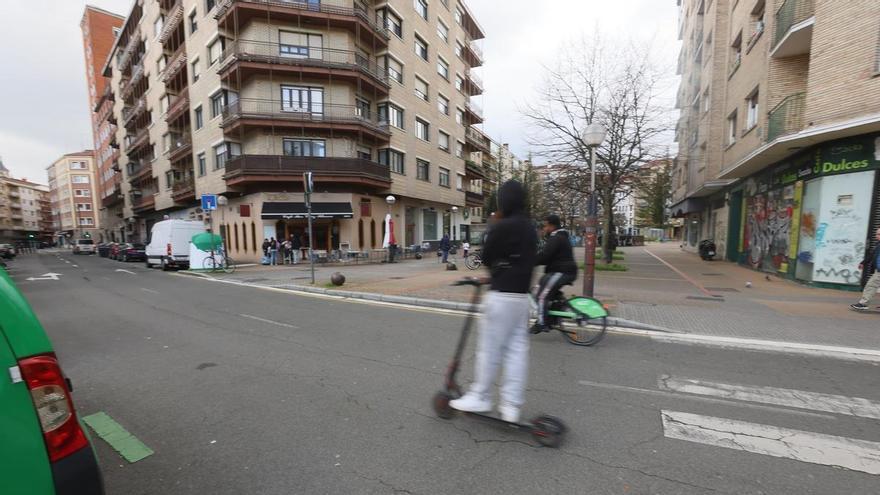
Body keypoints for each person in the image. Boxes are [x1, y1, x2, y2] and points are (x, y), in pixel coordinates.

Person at [449, 180, 537, 423]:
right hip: (521, 298)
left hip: (501, 296)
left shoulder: (502, 226)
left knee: (489, 349)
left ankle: (481, 396)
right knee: (516, 350)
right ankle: (511, 406)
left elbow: (486, 257)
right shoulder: (530, 228)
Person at [531, 214, 579, 333]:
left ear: (551, 226)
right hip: (561, 271)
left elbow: (545, 256)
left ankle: (542, 323)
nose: (544, 228)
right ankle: (551, 318)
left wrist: (529, 262)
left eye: (545, 226)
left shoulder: (556, 238)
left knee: (542, 296)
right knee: (541, 288)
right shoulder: (559, 236)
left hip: (563, 272)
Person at [851, 228, 880, 311]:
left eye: (879, 234)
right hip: (878, 270)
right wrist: (863, 263)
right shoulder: (878, 245)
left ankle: (864, 303)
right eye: (877, 234)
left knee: (871, 285)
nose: (876, 236)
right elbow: (871, 255)